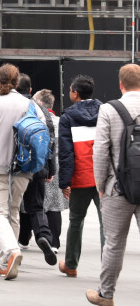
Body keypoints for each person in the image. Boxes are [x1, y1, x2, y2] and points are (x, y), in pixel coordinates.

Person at [0, 63, 47, 280]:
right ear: (17, 83)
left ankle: (11, 250)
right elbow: (42, 135)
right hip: (23, 167)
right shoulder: (31, 106)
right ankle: (8, 261)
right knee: (13, 210)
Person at [87, 63, 140, 306]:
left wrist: (101, 184)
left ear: (120, 84)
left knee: (114, 244)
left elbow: (100, 151)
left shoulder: (109, 109)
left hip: (117, 187)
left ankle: (106, 295)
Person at [58, 74, 104, 277]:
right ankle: (107, 267)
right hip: (104, 176)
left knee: (76, 220)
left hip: (81, 176)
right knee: (106, 224)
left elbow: (66, 153)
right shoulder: (106, 112)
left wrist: (64, 182)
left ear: (75, 94)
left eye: (70, 89)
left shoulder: (67, 117)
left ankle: (71, 265)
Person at [14, 74, 57, 266]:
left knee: (11, 207)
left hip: (15, 165)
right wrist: (50, 169)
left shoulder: (10, 106)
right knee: (36, 206)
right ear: (30, 90)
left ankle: (11, 247)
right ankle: (44, 235)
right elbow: (50, 141)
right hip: (38, 165)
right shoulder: (41, 110)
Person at [19, 89, 67, 253]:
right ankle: (54, 242)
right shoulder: (61, 122)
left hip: (37, 166)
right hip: (55, 168)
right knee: (54, 206)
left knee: (29, 204)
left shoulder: (34, 120)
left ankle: (24, 238)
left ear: (39, 104)